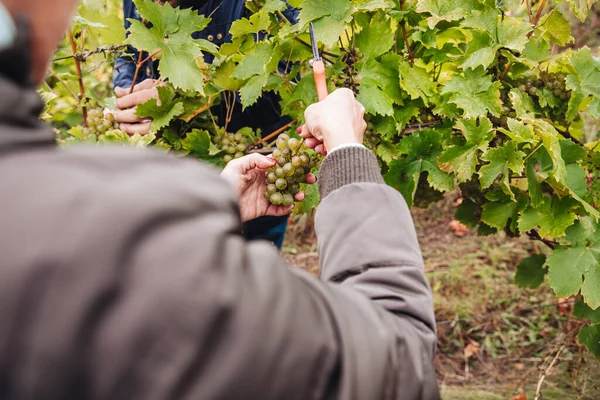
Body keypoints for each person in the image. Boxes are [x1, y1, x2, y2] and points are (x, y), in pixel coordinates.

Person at [0, 0, 440, 399]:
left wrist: (215, 202)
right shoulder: (121, 243)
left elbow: (279, 75)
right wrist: (346, 154)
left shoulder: (57, 217)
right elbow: (399, 366)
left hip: (255, 161)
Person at [113, 0, 297, 249]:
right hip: (181, 164)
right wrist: (127, 92)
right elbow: (131, 51)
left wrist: (179, 99)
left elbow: (282, 77)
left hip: (255, 165)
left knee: (255, 262)